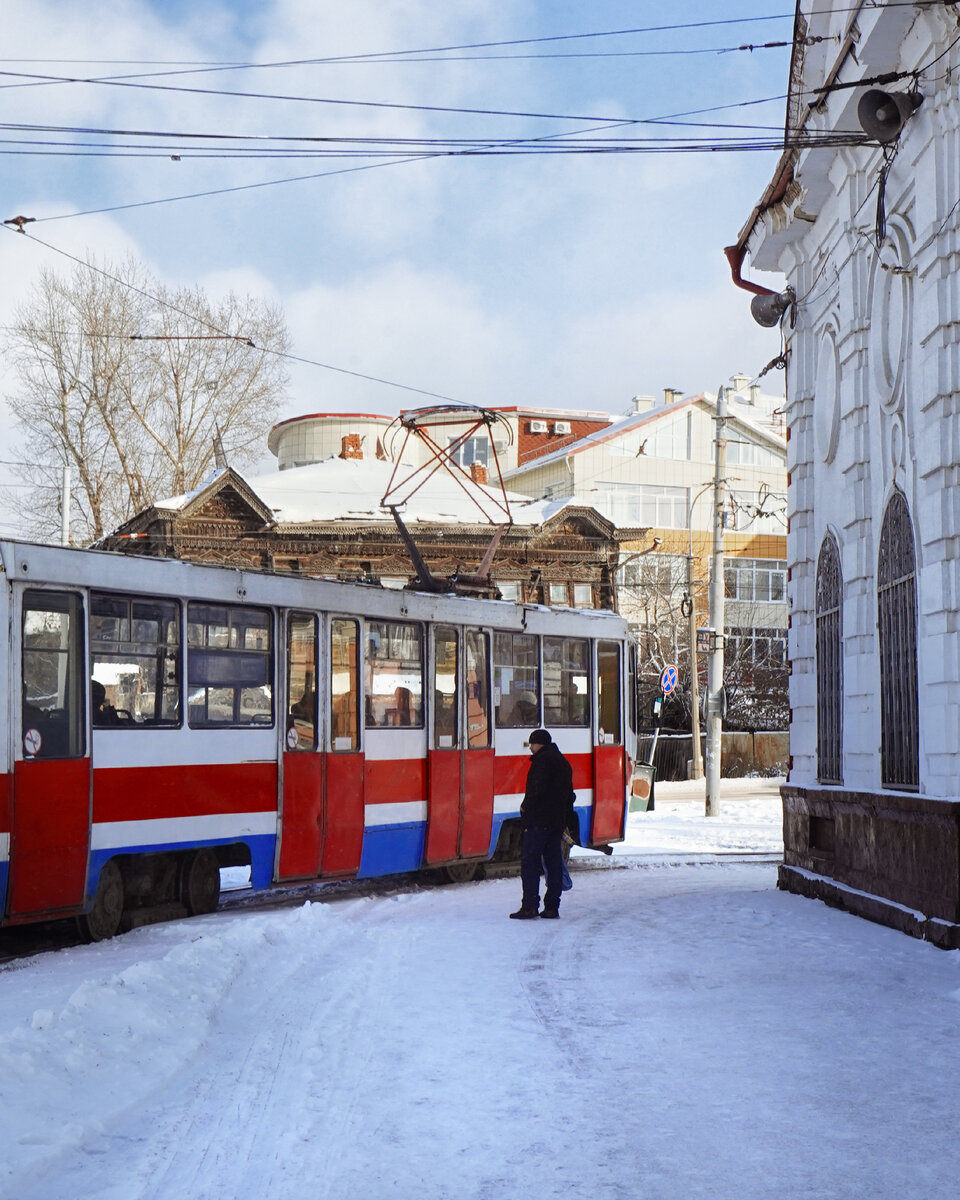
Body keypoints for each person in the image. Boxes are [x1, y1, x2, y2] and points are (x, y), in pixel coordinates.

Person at [509, 728, 575, 920]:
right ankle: (552, 907)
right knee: (553, 864)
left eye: (532, 743)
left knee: (530, 863)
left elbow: (535, 791)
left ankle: (529, 906)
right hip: (555, 822)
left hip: (538, 821)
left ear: (540, 743)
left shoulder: (542, 762)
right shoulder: (562, 762)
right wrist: (565, 819)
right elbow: (569, 795)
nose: (530, 747)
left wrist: (525, 808)